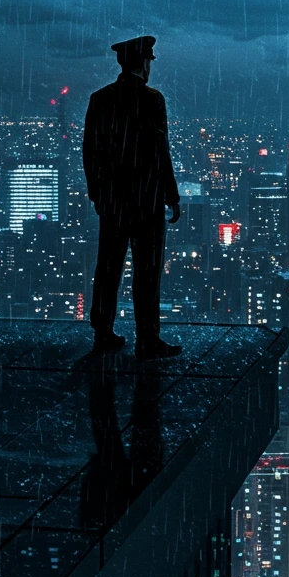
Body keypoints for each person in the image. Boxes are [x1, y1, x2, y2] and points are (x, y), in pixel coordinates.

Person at [83, 35, 182, 360]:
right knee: (147, 270)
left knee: (108, 267)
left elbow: (90, 152)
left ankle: (103, 332)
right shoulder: (152, 100)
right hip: (146, 199)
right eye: (150, 60)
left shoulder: (101, 99)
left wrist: (98, 192)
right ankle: (147, 338)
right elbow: (160, 151)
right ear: (143, 63)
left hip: (113, 200)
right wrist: (171, 194)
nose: (151, 66)